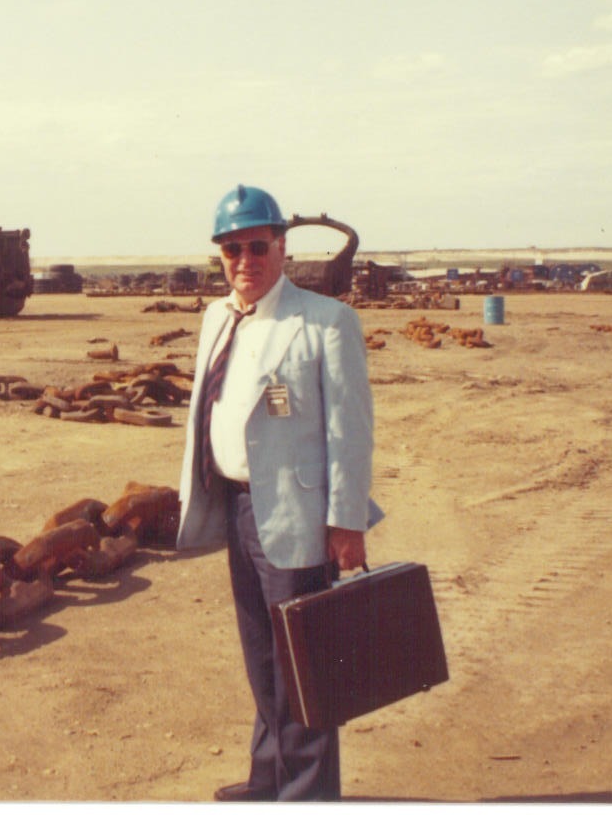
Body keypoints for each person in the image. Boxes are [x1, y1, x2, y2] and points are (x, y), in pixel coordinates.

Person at [174, 183, 382, 802]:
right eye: (232, 248)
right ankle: (269, 778)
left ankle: (309, 794)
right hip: (236, 507)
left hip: (299, 518)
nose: (245, 260)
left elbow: (350, 432)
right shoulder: (217, 317)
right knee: (261, 658)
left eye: (257, 245)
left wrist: (345, 522)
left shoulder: (325, 321)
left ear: (282, 247)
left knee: (304, 670)